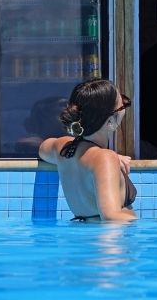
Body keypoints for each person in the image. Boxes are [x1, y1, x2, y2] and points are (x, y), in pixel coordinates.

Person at [38, 79, 137, 222]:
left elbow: (43, 148)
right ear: (110, 121)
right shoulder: (104, 159)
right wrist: (142, 221)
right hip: (108, 240)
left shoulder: (64, 147)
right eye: (122, 106)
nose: (125, 108)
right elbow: (111, 217)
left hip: (80, 234)